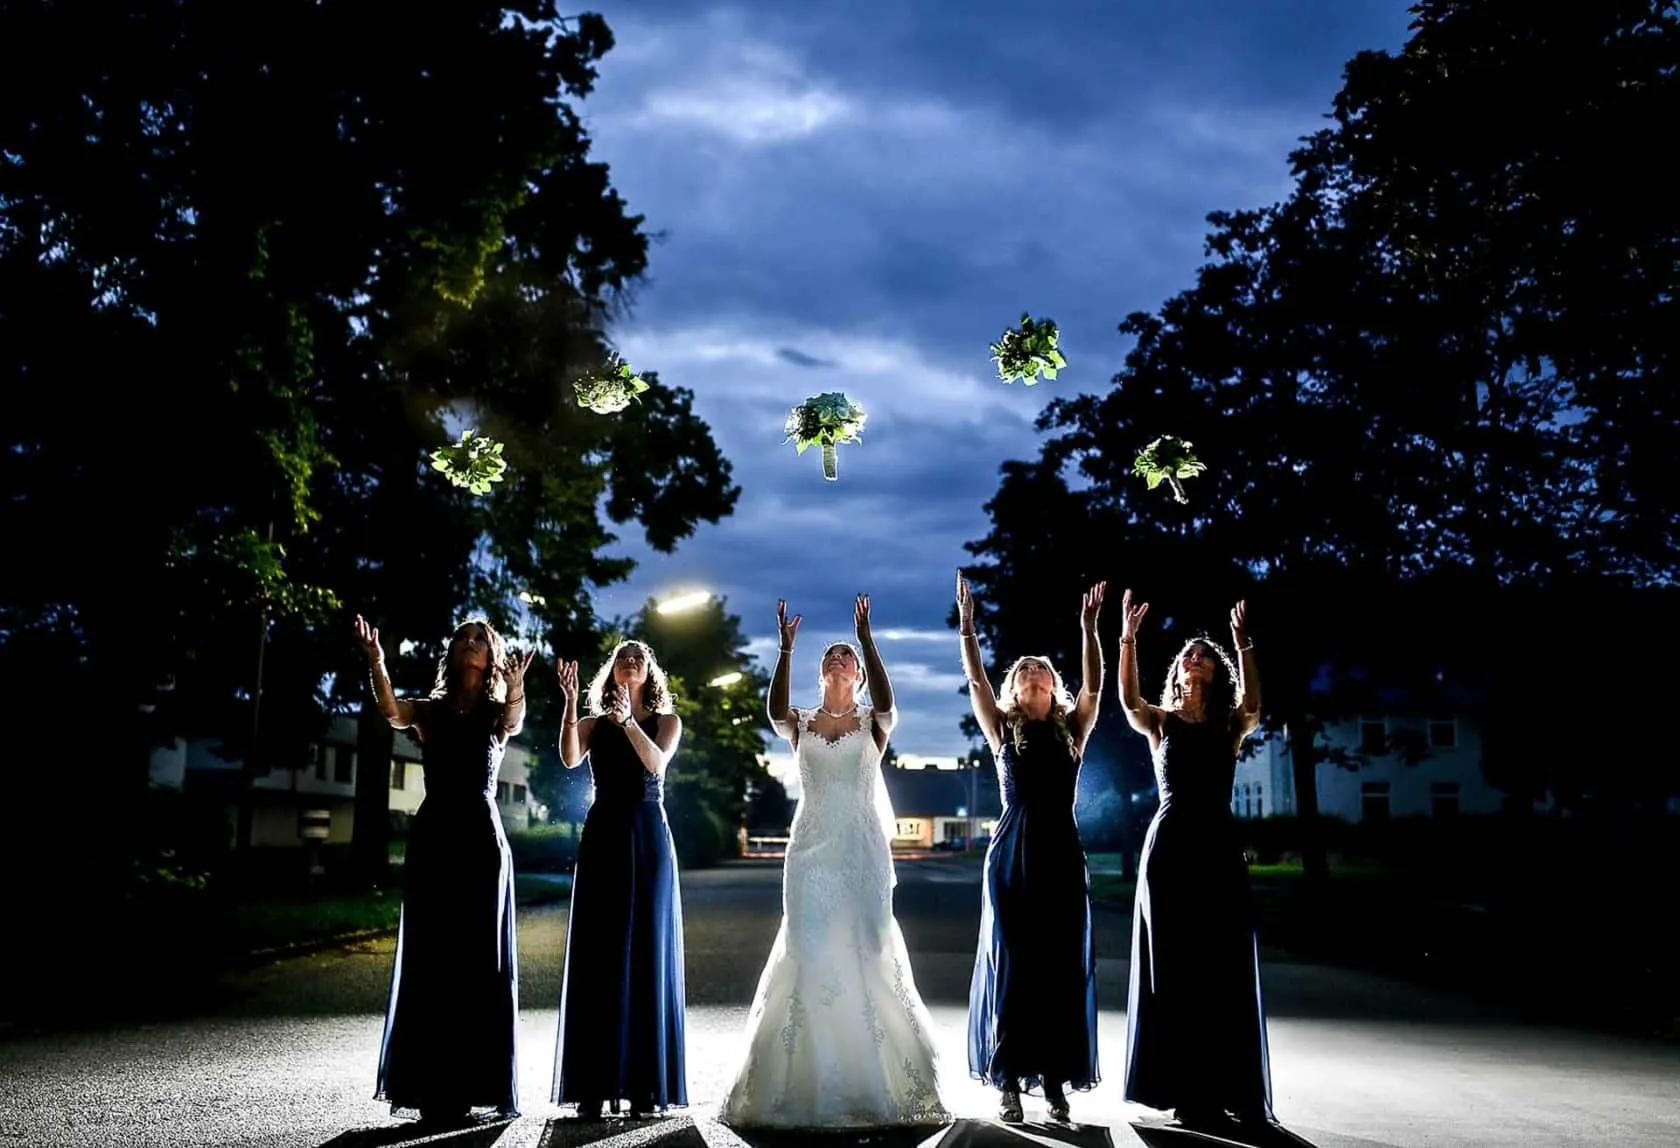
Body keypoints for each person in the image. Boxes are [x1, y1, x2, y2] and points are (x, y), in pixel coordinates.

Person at [719, 596, 949, 1130]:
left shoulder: (874, 723)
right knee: (809, 947)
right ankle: (803, 1079)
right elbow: (774, 712)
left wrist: (866, 636)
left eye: (846, 655)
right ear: (821, 671)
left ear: (860, 674)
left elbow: (891, 705)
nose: (837, 659)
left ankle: (876, 1080)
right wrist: (785, 649)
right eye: (832, 655)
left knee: (868, 949)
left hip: (861, 850)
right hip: (810, 851)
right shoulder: (799, 723)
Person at [357, 614, 531, 1125]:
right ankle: (431, 1086)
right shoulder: (429, 711)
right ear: (453, 652)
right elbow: (390, 711)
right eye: (464, 638)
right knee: (433, 958)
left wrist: (517, 686)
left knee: (478, 959)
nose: (472, 643)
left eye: (482, 639)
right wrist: (377, 662)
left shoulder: (498, 710)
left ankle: (475, 1084)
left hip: (481, 838)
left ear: (490, 656)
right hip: (435, 837)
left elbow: (515, 721)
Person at [1117, 591, 1274, 1128]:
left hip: (1218, 846)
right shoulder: (1160, 721)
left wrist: (1242, 643)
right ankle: (1186, 1092)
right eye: (1188, 652)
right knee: (1176, 968)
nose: (1194, 656)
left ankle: (1228, 1087)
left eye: (1205, 653)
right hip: (1170, 848)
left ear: (1216, 670)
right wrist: (1128, 639)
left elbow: (1255, 704)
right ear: (1179, 671)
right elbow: (1129, 700)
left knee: (1221, 967)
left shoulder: (1232, 724)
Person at [958, 572, 1105, 1124]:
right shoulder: (1001, 727)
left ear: (1052, 684)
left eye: (1041, 669)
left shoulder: (1073, 728)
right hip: (1013, 852)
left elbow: (1094, 686)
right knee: (1017, 965)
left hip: (1061, 851)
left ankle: (1055, 1083)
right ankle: (1011, 1082)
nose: (1032, 674)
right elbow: (975, 682)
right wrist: (969, 630)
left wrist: (1089, 627)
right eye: (1023, 672)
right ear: (1014, 689)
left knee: (1060, 966)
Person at [551, 640, 688, 1119]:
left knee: (647, 948)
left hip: (647, 834)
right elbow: (570, 757)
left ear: (650, 673)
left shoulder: (666, 722)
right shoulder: (591, 725)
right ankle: (592, 1083)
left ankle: (644, 1086)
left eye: (639, 658)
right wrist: (571, 703)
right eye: (622, 658)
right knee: (600, 952)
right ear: (609, 672)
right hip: (604, 833)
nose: (630, 661)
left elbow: (654, 763)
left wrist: (629, 721)